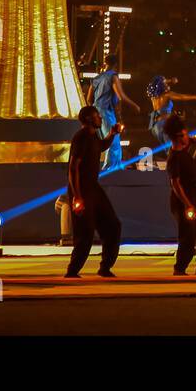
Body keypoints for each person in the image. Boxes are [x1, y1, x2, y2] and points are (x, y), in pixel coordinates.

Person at [66, 105, 123, 278]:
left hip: (93, 188)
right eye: (97, 116)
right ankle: (72, 271)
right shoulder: (81, 137)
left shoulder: (93, 137)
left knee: (113, 225)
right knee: (85, 232)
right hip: (82, 190)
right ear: (90, 119)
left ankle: (105, 267)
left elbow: (101, 146)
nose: (100, 118)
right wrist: (77, 196)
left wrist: (112, 134)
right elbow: (73, 168)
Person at [165, 115, 196, 276]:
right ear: (179, 137)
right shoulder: (174, 158)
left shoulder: (183, 152)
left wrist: (192, 142)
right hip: (182, 199)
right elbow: (176, 184)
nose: (189, 136)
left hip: (193, 195)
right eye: (185, 134)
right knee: (188, 235)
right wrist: (187, 204)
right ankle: (179, 268)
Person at [87, 53, 141, 170]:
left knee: (101, 142)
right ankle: (111, 169)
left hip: (95, 111)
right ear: (116, 64)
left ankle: (99, 167)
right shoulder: (113, 76)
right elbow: (121, 96)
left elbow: (88, 99)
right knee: (114, 141)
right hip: (106, 112)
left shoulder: (96, 78)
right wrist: (135, 105)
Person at [145, 76, 196, 149]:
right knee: (173, 148)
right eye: (165, 84)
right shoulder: (167, 95)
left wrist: (170, 80)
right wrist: (195, 97)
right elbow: (182, 97)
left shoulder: (154, 97)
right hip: (164, 124)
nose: (167, 85)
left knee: (168, 148)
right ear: (162, 86)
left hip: (155, 125)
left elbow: (157, 82)